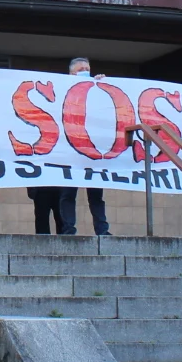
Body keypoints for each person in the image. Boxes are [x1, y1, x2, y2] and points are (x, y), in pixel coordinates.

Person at [65, 57, 111, 235]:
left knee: (96, 195)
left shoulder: (95, 88)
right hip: (70, 149)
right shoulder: (63, 88)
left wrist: (101, 85)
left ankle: (102, 230)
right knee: (68, 193)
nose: (85, 71)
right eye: (81, 69)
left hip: (92, 150)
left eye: (87, 68)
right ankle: (68, 229)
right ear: (71, 74)